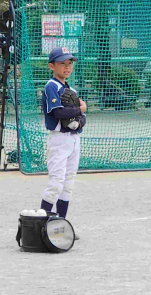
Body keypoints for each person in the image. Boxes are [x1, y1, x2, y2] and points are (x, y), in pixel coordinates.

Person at [39, 47, 86, 223]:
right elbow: (58, 113)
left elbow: (82, 117)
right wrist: (79, 110)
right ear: (52, 66)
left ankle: (61, 223)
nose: (67, 67)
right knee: (56, 183)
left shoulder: (70, 89)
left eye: (69, 63)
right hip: (59, 139)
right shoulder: (51, 86)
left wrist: (80, 118)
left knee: (69, 182)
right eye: (62, 64)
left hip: (74, 139)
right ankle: (41, 224)